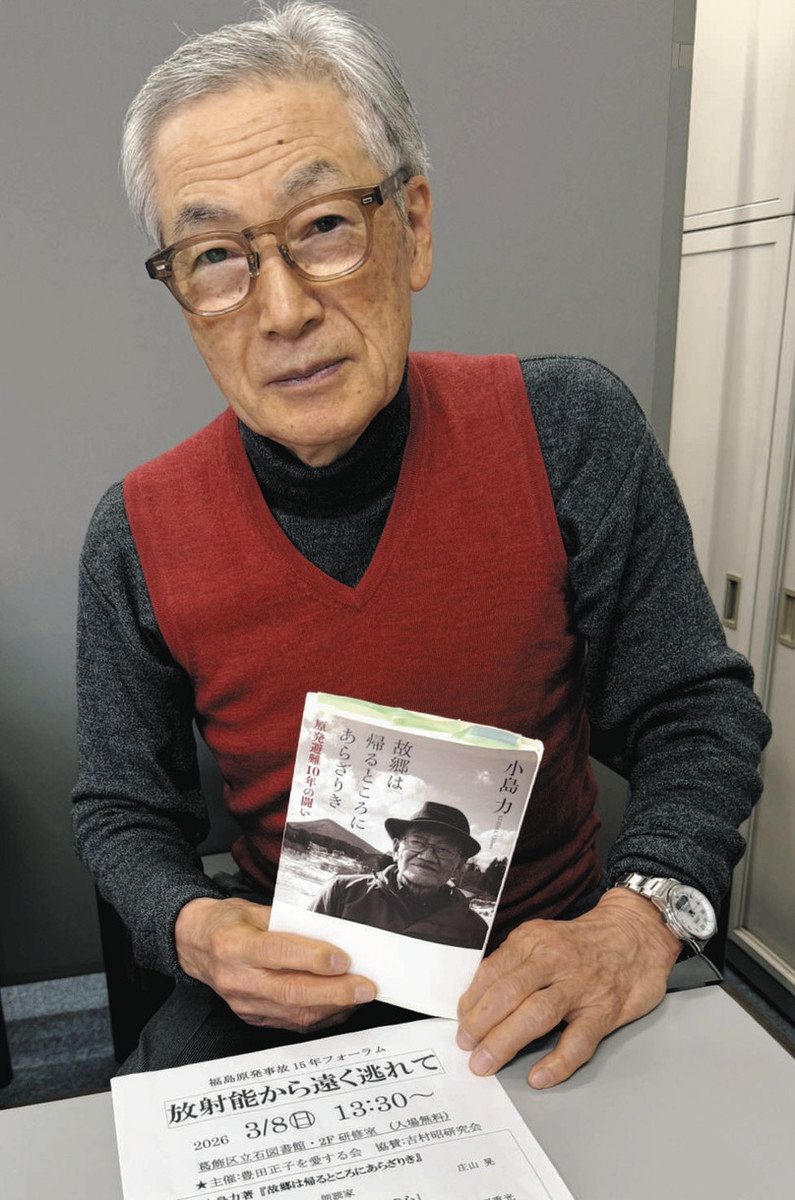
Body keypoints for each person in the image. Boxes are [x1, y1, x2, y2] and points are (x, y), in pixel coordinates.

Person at [72, 2, 771, 1086]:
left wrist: (638, 919)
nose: (283, 310)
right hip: (291, 1005)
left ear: (414, 225)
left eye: (323, 226)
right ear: (182, 291)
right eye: (216, 256)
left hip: (549, 980)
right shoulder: (137, 532)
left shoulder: (567, 430)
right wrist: (193, 928)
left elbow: (696, 712)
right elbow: (122, 809)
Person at [311, 802, 490, 949]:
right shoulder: (342, 893)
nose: (427, 856)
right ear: (396, 849)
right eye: (417, 842)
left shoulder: (476, 932)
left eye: (443, 849)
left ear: (460, 864)